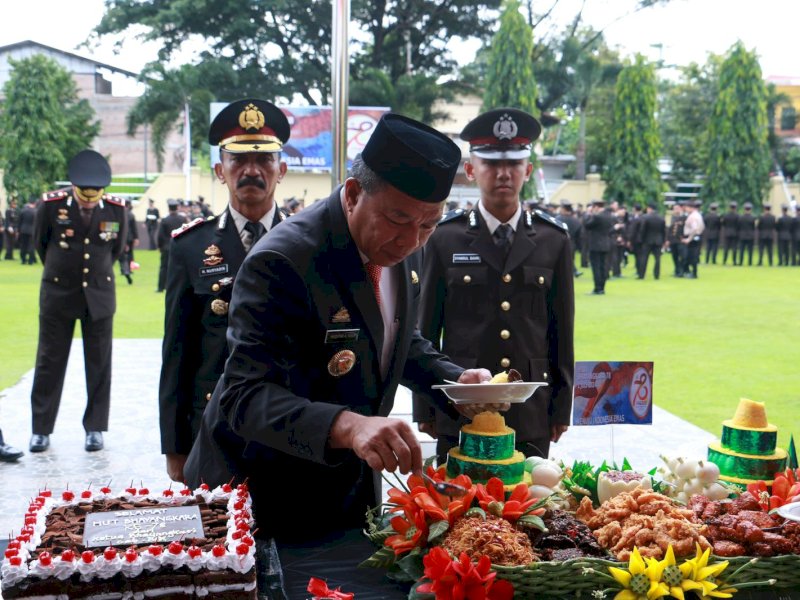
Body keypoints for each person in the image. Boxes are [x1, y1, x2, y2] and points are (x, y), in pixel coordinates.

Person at [185, 113, 505, 544]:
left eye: (428, 225)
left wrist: (455, 381)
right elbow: (244, 397)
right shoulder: (283, 261)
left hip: (346, 483)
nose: (411, 241)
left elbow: (393, 338)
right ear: (353, 195)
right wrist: (351, 426)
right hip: (263, 491)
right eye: (398, 219)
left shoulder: (401, 242)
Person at [411, 107, 574, 462]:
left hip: (530, 409)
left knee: (531, 504)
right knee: (459, 508)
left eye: (514, 164)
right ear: (471, 171)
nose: (504, 173)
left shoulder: (553, 239)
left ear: (527, 171)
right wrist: (426, 406)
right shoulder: (444, 238)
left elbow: (561, 331)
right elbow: (426, 327)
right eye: (491, 164)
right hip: (462, 405)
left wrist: (562, 407)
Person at [159, 98, 291, 483]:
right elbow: (176, 352)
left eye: (264, 160)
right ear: (220, 170)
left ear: (281, 169)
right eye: (238, 160)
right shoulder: (189, 246)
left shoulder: (306, 243)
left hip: (288, 422)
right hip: (212, 425)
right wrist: (175, 445)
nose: (252, 170)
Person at [28, 150, 127, 453]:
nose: (89, 201)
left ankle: (95, 428)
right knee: (49, 363)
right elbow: (40, 246)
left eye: (94, 197)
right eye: (84, 196)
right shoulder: (51, 205)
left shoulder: (115, 210)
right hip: (58, 295)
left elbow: (116, 250)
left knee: (99, 364)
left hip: (98, 296)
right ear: (74, 188)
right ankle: (41, 430)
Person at [583, 199, 615, 294]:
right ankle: (602, 288)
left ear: (596, 207)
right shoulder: (609, 216)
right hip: (606, 243)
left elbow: (586, 225)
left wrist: (589, 214)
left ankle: (597, 288)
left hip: (596, 244)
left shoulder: (597, 217)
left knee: (596, 267)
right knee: (603, 267)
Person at [155, 199, 187, 292]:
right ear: (177, 208)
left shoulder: (165, 220)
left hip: (167, 247)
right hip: (180, 247)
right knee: (180, 268)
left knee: (164, 267)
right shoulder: (182, 219)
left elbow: (160, 235)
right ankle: (179, 287)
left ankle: (161, 287)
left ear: (168, 208)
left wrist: (160, 247)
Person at [637, 202, 666, 279]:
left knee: (644, 258)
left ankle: (641, 275)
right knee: (657, 259)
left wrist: (641, 240)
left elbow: (642, 230)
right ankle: (656, 275)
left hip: (647, 240)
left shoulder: (646, 218)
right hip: (658, 241)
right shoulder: (661, 218)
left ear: (649, 208)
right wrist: (663, 241)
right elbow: (663, 231)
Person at [558, 200, 583, 277]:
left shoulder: (557, 219)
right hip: (572, 244)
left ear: (563, 209)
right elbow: (579, 236)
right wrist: (579, 247)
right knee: (570, 260)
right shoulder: (576, 221)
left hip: (559, 243)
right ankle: (573, 273)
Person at [681, 200, 705, 278]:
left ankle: (693, 273)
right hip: (697, 237)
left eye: (686, 208)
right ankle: (690, 271)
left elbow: (694, 228)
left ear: (690, 208)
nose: (685, 209)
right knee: (693, 255)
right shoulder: (698, 215)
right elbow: (702, 227)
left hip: (692, 237)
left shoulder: (692, 216)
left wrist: (689, 238)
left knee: (691, 256)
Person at [118, 200, 139, 284]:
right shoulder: (131, 214)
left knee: (122, 256)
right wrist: (136, 238)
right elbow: (134, 228)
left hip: (122, 238)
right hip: (130, 238)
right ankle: (128, 270)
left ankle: (125, 270)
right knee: (129, 254)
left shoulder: (119, 213)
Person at [665, 202, 686, 277]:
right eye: (674, 209)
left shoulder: (684, 217)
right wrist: (667, 240)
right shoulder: (671, 218)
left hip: (680, 240)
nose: (675, 210)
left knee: (683, 256)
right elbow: (668, 229)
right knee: (674, 256)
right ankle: (677, 270)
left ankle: (682, 270)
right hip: (673, 240)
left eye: (677, 208)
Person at [18, 197, 38, 265]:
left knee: (23, 245)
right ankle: (30, 260)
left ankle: (23, 259)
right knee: (31, 246)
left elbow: (19, 221)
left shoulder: (23, 210)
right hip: (32, 231)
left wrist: (18, 230)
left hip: (23, 230)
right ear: (34, 203)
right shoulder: (35, 211)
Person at [737, 202, 756, 266]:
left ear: (744, 209)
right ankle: (750, 262)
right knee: (750, 250)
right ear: (750, 209)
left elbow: (738, 226)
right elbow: (753, 227)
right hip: (750, 235)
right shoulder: (753, 218)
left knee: (741, 250)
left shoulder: (740, 217)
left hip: (742, 235)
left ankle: (740, 262)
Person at [721, 201, 739, 266]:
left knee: (726, 248)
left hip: (727, 233)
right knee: (734, 248)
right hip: (735, 233)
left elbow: (723, 224)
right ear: (735, 208)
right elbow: (738, 225)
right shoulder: (737, 216)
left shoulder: (726, 215)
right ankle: (734, 261)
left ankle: (724, 261)